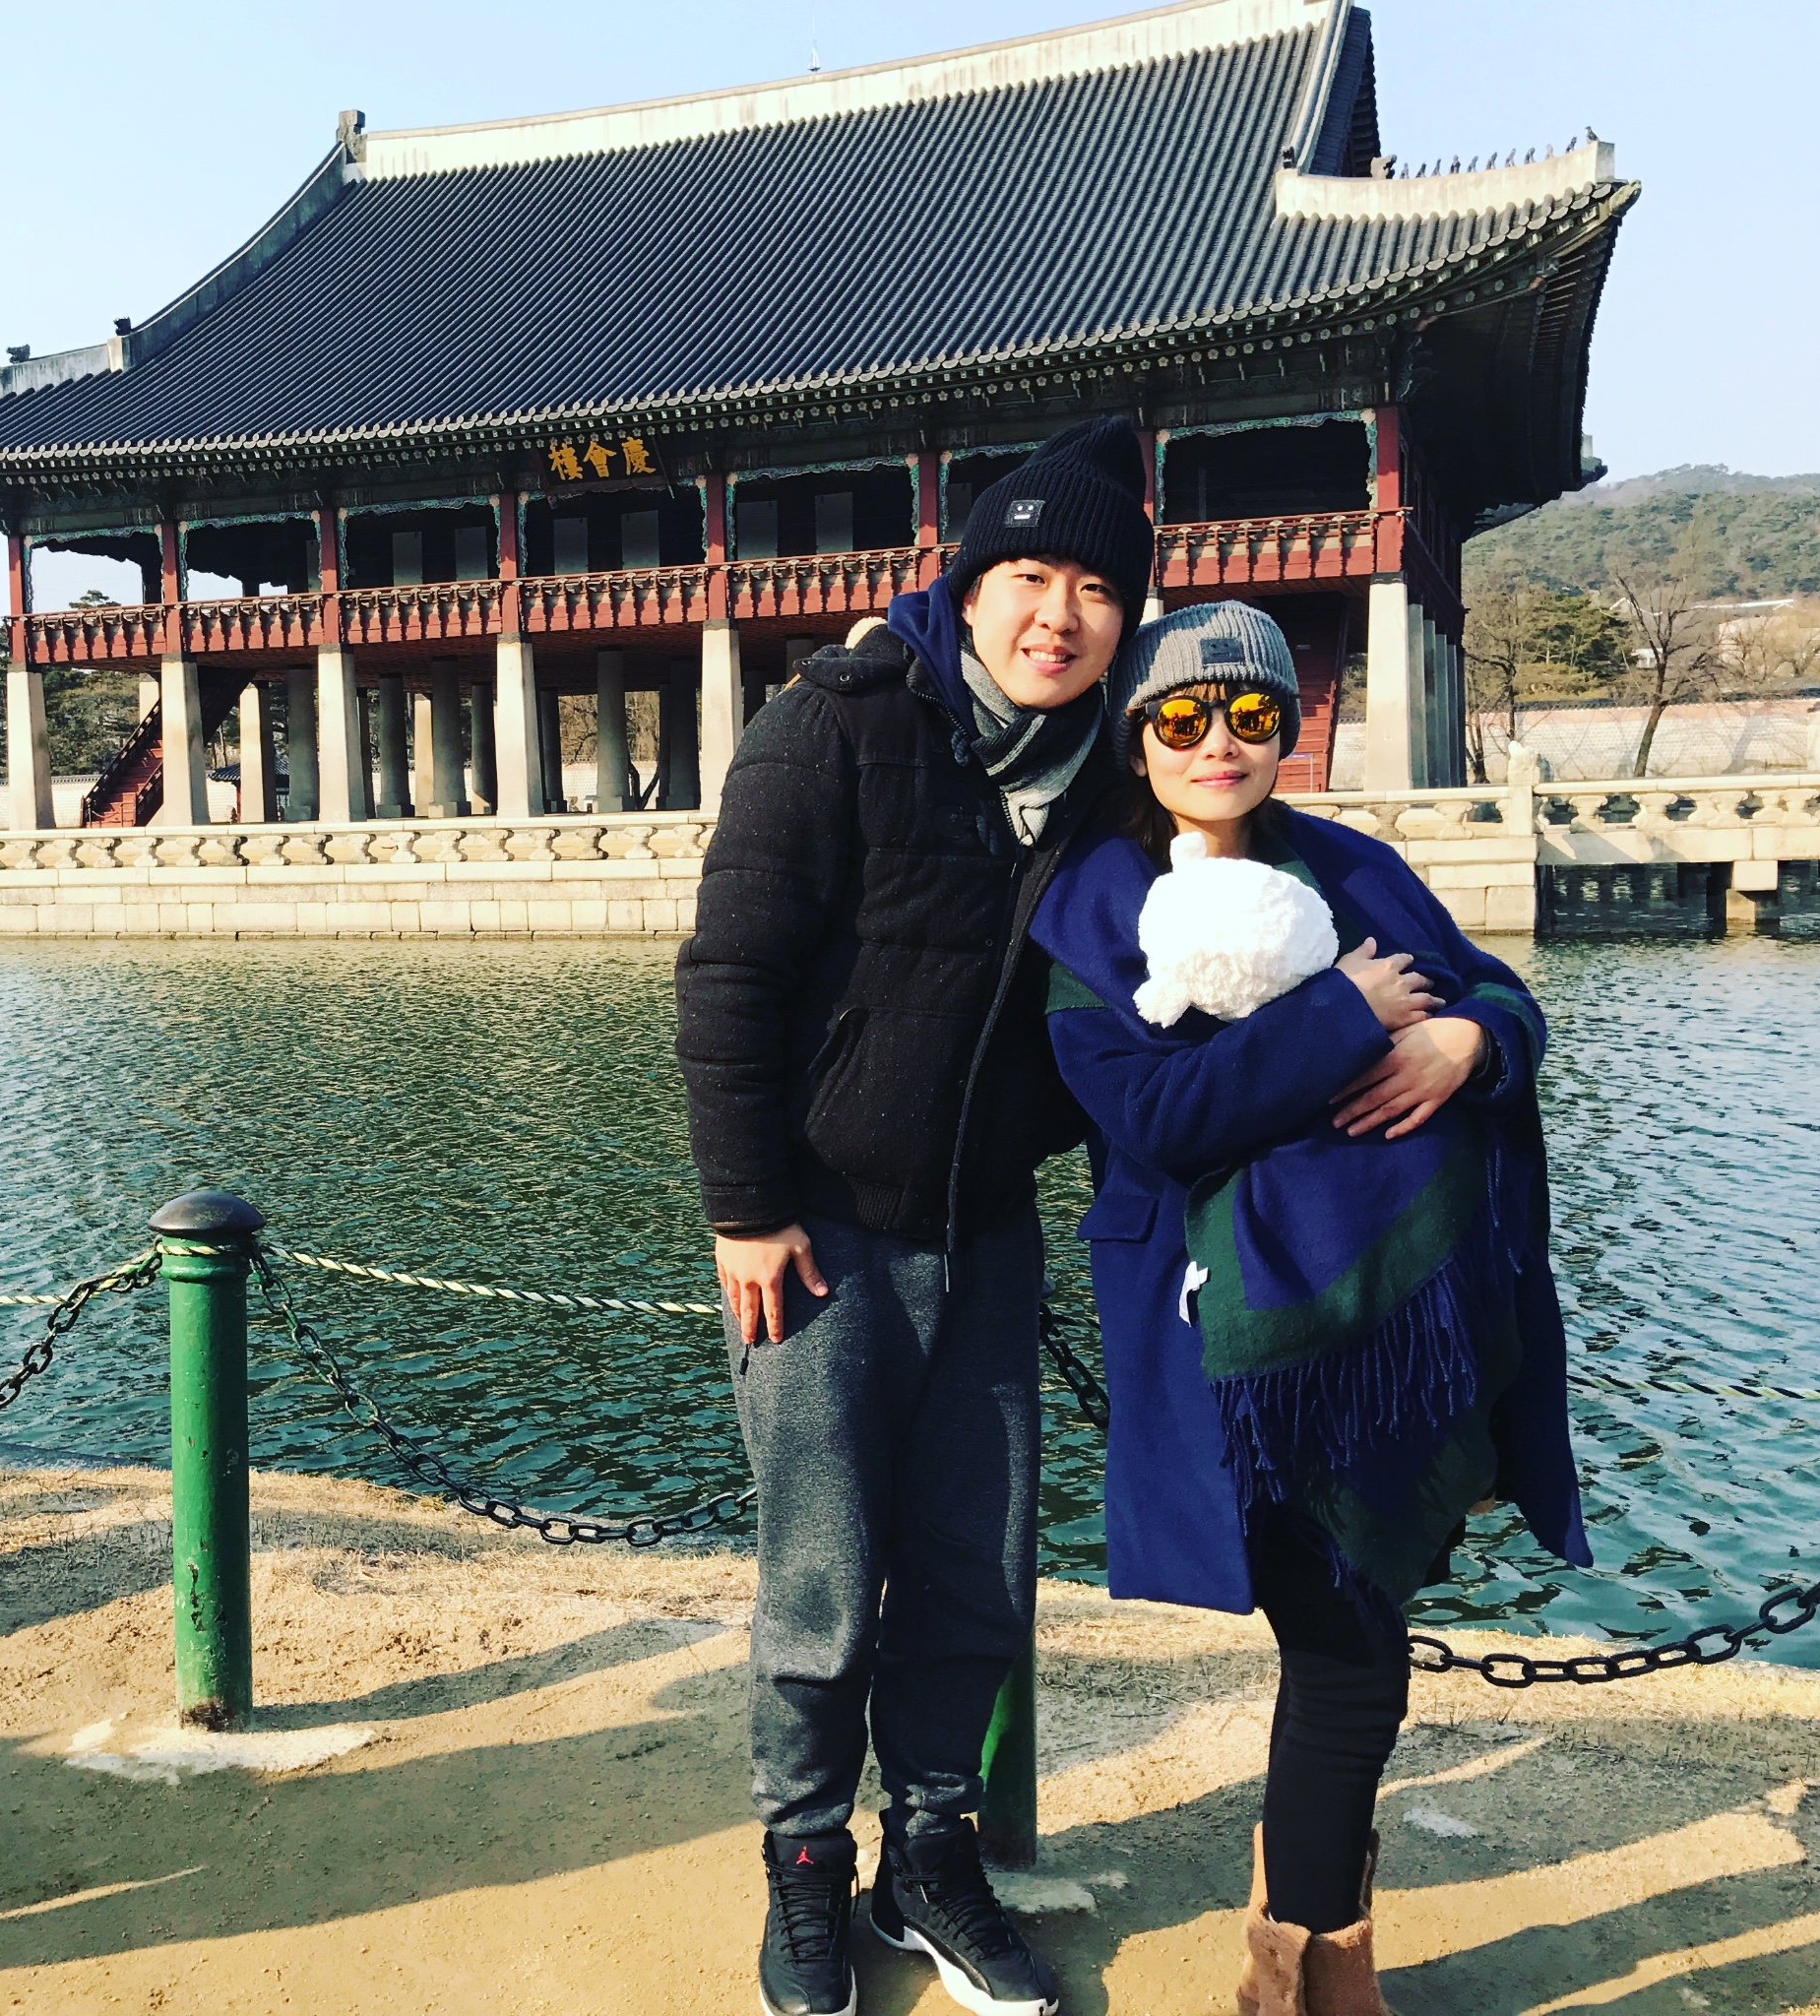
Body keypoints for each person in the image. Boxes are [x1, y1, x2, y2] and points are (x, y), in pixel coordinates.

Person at [1027, 600, 1591, 2016]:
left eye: (1252, 713)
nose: (1217, 740)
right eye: (1180, 715)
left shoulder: (1355, 868)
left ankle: (1303, 1951)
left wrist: (1466, 1041)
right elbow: (1159, 1118)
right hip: (1231, 1338)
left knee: (1359, 1640)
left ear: (1290, 727)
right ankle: (1310, 1975)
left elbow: (1503, 995)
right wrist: (1341, 1012)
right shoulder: (1091, 911)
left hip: (1393, 1326)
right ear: (1135, 739)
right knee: (1345, 1644)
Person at [674, 417, 1156, 2016]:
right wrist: (748, 1208)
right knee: (821, 1582)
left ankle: (931, 1858)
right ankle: (806, 1862)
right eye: (1030, 576)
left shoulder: (1116, 781)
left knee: (973, 1576)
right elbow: (728, 980)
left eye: (1098, 588)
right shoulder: (837, 722)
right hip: (818, 1239)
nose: (1058, 616)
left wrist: (1457, 1023)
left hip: (989, 1236)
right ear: (967, 584)